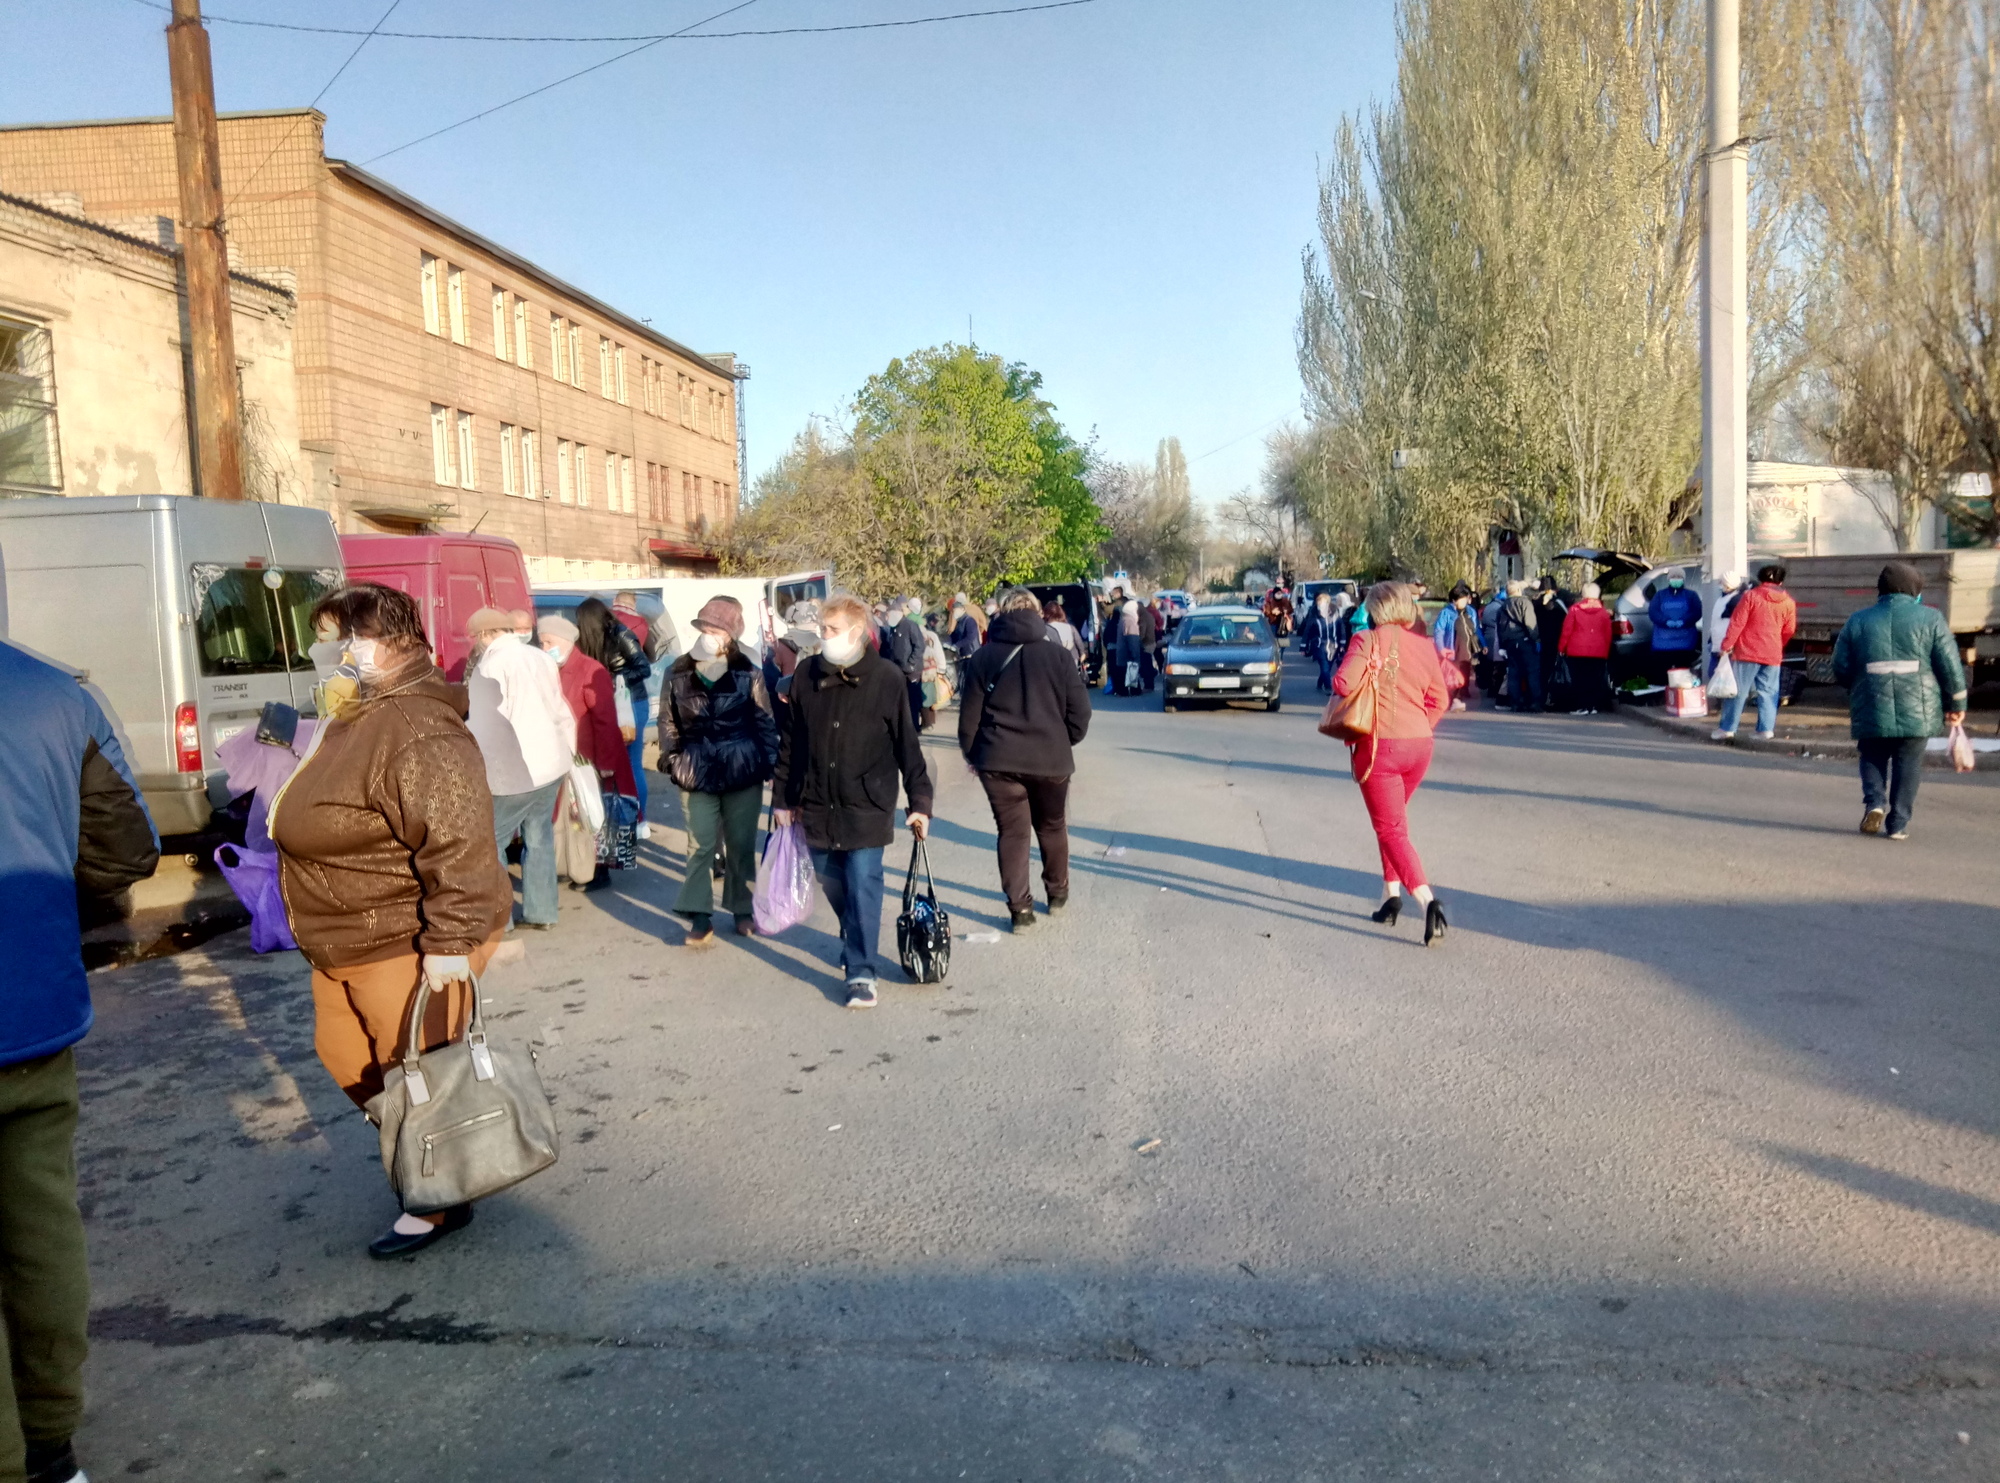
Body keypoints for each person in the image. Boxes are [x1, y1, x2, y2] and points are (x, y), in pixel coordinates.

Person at [271, 583, 512, 1258]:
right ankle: (441, 1165)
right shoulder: (357, 709)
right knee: (349, 1057)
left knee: (419, 1071)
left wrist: (451, 941)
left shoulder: (415, 724)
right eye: (322, 636)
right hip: (342, 934)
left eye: (339, 635)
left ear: (387, 640)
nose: (327, 651)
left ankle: (434, 1196)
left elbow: (460, 838)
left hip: (402, 934)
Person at [2, 642, 157, 1483]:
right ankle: (53, 1446)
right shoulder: (55, 691)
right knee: (42, 1230)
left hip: (37, 999)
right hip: (36, 1004)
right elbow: (124, 849)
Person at [773, 594, 935, 1008]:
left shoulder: (886, 678)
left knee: (864, 880)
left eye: (831, 631)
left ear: (857, 633)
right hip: (817, 802)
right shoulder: (807, 673)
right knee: (832, 878)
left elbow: (907, 746)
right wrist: (782, 800)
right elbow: (791, 745)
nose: (823, 637)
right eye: (822, 630)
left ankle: (861, 972)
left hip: (868, 801)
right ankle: (856, 928)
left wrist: (920, 801)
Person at [958, 587, 1093, 930]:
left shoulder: (982, 659)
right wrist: (1065, 741)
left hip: (999, 761)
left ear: (1000, 614)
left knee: (1012, 834)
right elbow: (1080, 713)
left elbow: (969, 720)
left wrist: (975, 756)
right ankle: (1058, 893)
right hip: (1051, 759)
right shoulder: (1059, 657)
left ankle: (1020, 910)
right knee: (1052, 826)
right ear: (1037, 614)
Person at [1333, 582, 1452, 945]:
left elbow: (1341, 683)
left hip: (1380, 745)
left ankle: (1427, 902)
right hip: (1420, 745)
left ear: (1374, 609)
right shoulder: (1423, 645)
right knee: (1392, 822)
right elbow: (1441, 699)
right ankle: (1391, 896)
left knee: (1391, 830)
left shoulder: (1366, 640)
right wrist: (1419, 726)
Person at [659, 596, 780, 946]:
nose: (709, 635)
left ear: (731, 636)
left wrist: (770, 764)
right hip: (695, 769)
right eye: (705, 628)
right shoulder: (678, 671)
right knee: (700, 845)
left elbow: (764, 721)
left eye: (717, 630)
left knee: (741, 843)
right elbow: (667, 721)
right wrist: (674, 761)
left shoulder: (748, 672)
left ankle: (743, 909)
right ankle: (700, 915)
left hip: (742, 768)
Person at [1832, 561, 1967, 840]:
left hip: (1871, 700)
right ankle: (1898, 824)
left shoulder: (1858, 620)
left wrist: (1856, 686)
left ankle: (1875, 803)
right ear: (1914, 589)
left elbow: (1840, 666)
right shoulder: (1931, 619)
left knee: (1871, 754)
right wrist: (1956, 703)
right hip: (1918, 707)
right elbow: (1950, 666)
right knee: (1908, 764)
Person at [464, 606, 576, 931]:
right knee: (539, 834)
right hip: (551, 762)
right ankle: (542, 913)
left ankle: (500, 920)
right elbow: (558, 707)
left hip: (517, 769)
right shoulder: (540, 658)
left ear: (486, 635)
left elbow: (490, 724)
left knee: (492, 839)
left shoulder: (490, 665)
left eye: (478, 638)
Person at [537, 614, 638, 890]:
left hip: (591, 757)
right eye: (542, 642)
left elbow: (605, 720)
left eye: (549, 642)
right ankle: (577, 865)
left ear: (566, 642)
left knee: (596, 814)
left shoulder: (589, 669)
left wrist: (606, 762)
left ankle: (599, 870)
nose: (544, 647)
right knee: (575, 817)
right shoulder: (549, 669)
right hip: (565, 757)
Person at [575, 597, 653, 837]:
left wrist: (614, 679)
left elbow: (643, 668)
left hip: (632, 703)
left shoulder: (621, 634)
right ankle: (616, 817)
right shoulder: (588, 641)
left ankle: (639, 820)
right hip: (609, 703)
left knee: (631, 762)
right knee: (611, 762)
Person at [1712, 563, 1797, 740]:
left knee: (1738, 692)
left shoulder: (1751, 596)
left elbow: (1737, 623)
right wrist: (1777, 643)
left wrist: (1726, 645)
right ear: (1781, 582)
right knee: (1768, 693)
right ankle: (1765, 730)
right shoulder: (1788, 602)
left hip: (1747, 652)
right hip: (1773, 653)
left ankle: (1728, 728)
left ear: (1760, 579)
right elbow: (1789, 629)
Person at [1557, 582, 1615, 714]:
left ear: (1583, 594)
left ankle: (1581, 706)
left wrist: (1561, 648)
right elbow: (1607, 633)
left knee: (1579, 679)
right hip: (1598, 650)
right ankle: (1593, 706)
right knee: (1595, 679)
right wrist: (1606, 651)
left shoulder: (1575, 609)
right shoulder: (1603, 612)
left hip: (1576, 649)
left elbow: (1567, 631)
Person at [1646, 567, 1703, 680]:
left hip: (1685, 644)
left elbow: (1697, 612)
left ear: (1683, 579)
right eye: (1673, 577)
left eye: (1679, 577)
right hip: (1662, 644)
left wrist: (1685, 621)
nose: (1676, 579)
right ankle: (1664, 695)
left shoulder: (1691, 595)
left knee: (1683, 675)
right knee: (1663, 676)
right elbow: (1653, 612)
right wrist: (1666, 621)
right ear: (1668, 579)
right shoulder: (1660, 595)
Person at [1431, 582, 1481, 709]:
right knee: (1453, 675)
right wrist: (1441, 648)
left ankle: (1459, 696)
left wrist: (1481, 644)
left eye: (1466, 598)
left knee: (1464, 673)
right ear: (1454, 600)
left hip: (1467, 649)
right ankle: (1452, 699)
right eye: (1462, 599)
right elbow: (1439, 630)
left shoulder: (1471, 611)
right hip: (1453, 648)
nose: (1465, 601)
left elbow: (1475, 629)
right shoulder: (1446, 613)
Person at [1496, 579, 1542, 712]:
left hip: (1510, 643)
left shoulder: (1502, 606)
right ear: (1518, 590)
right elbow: (1530, 623)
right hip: (1525, 641)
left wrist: (1502, 646)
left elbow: (1500, 627)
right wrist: (1537, 639)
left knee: (1513, 673)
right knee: (1532, 672)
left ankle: (1515, 703)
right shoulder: (1525, 603)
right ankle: (1534, 702)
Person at [1298, 589, 1339, 693]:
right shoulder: (1314, 613)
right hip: (1319, 645)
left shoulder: (1334, 613)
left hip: (1332, 645)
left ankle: (1320, 683)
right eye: (1319, 603)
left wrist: (1342, 642)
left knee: (1328, 668)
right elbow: (1307, 630)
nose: (1320, 605)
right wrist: (1303, 646)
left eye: (1323, 603)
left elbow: (1340, 628)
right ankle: (1329, 687)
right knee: (1324, 666)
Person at [1043, 597, 1085, 671]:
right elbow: (1080, 645)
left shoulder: (1044, 629)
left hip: (1053, 662)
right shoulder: (1070, 627)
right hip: (1071, 659)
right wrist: (1081, 657)